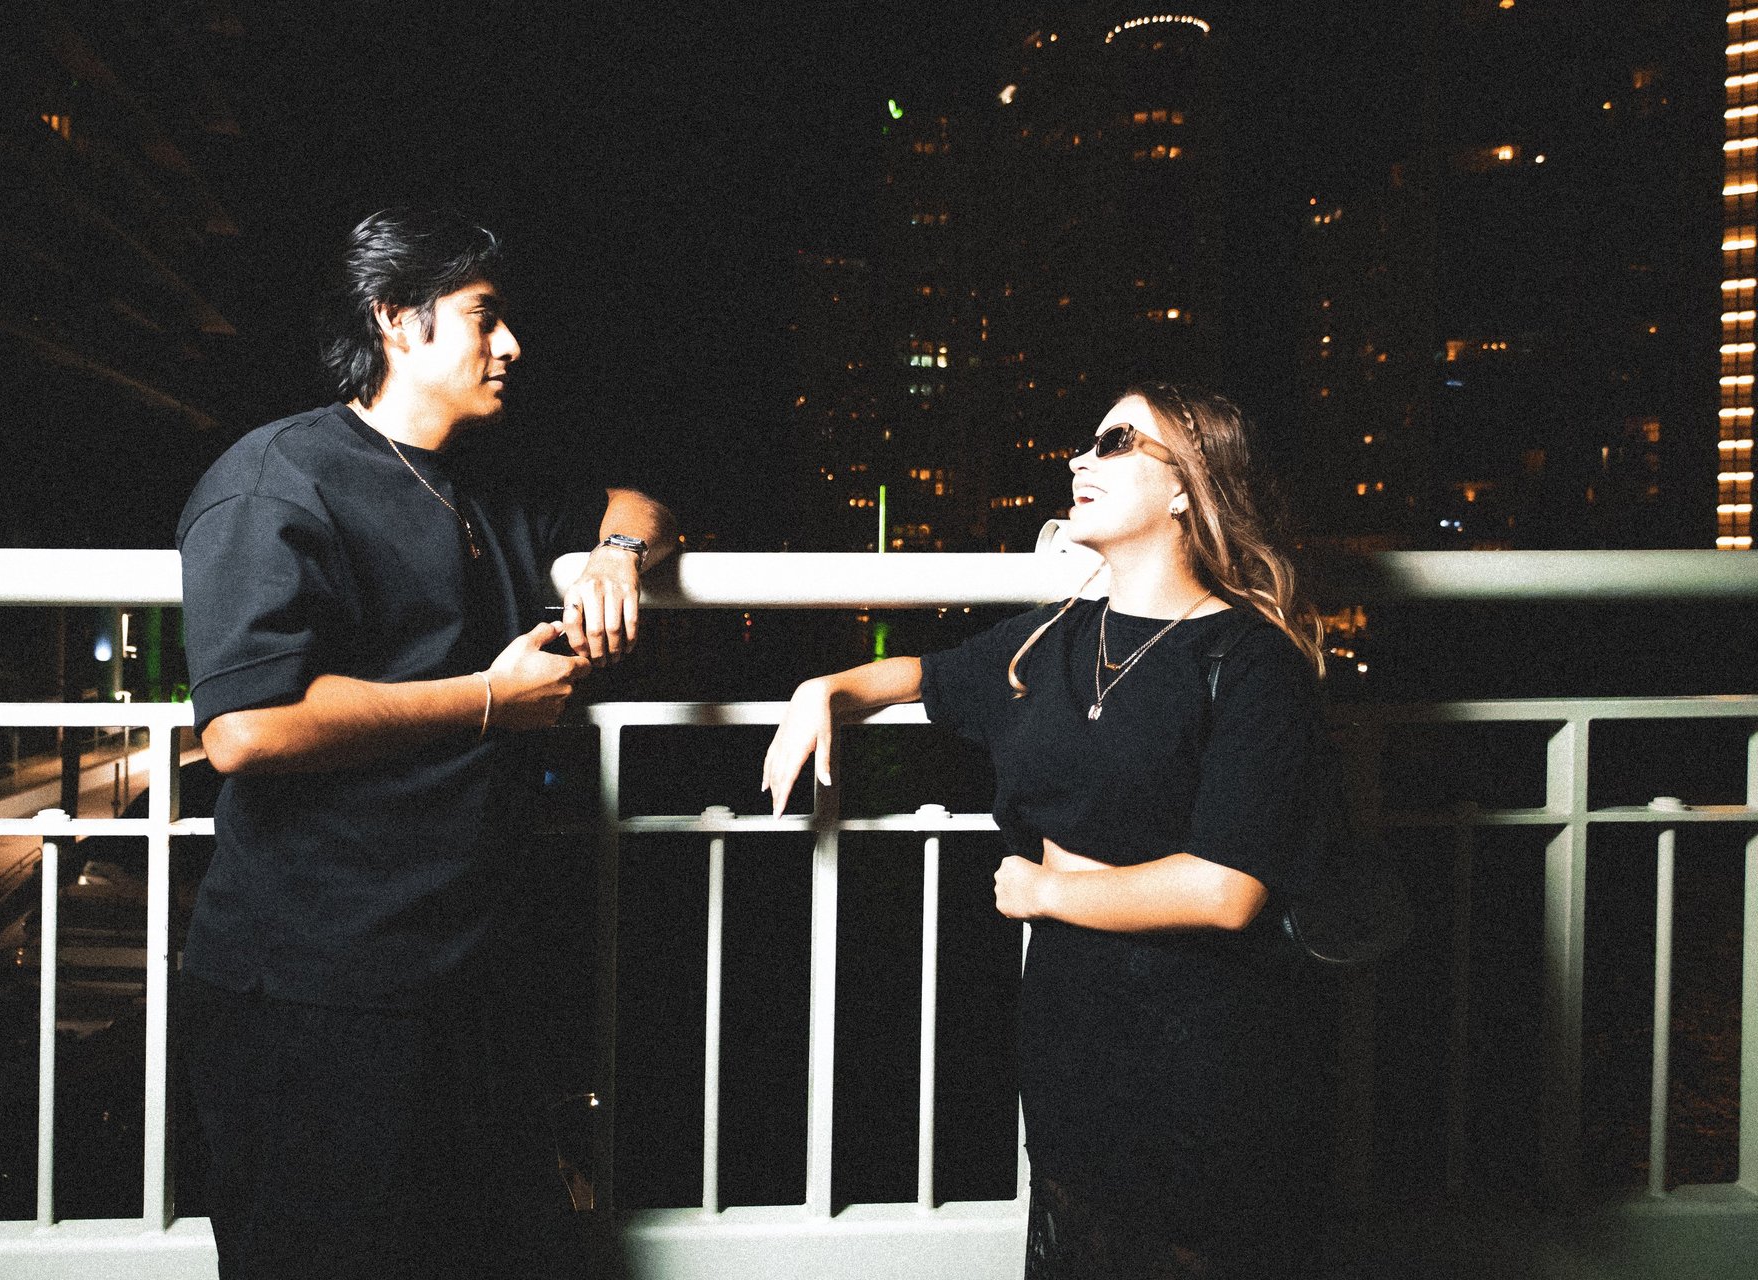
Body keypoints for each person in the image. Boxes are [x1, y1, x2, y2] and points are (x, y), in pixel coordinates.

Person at [175, 206, 676, 1279]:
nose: (512, 346)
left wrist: (615, 555)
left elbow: (638, 500)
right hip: (317, 995)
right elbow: (246, 729)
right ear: (397, 319)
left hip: (466, 981)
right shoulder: (278, 479)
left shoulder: (481, 481)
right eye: (486, 318)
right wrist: (488, 701)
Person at [762, 382, 1332, 1278]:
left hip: (1204, 1046)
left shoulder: (1252, 661)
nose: (1079, 459)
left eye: (1115, 441)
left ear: (1187, 484)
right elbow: (925, 674)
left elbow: (1228, 890)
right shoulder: (1057, 640)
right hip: (1070, 1031)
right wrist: (825, 690)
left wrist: (1045, 891)